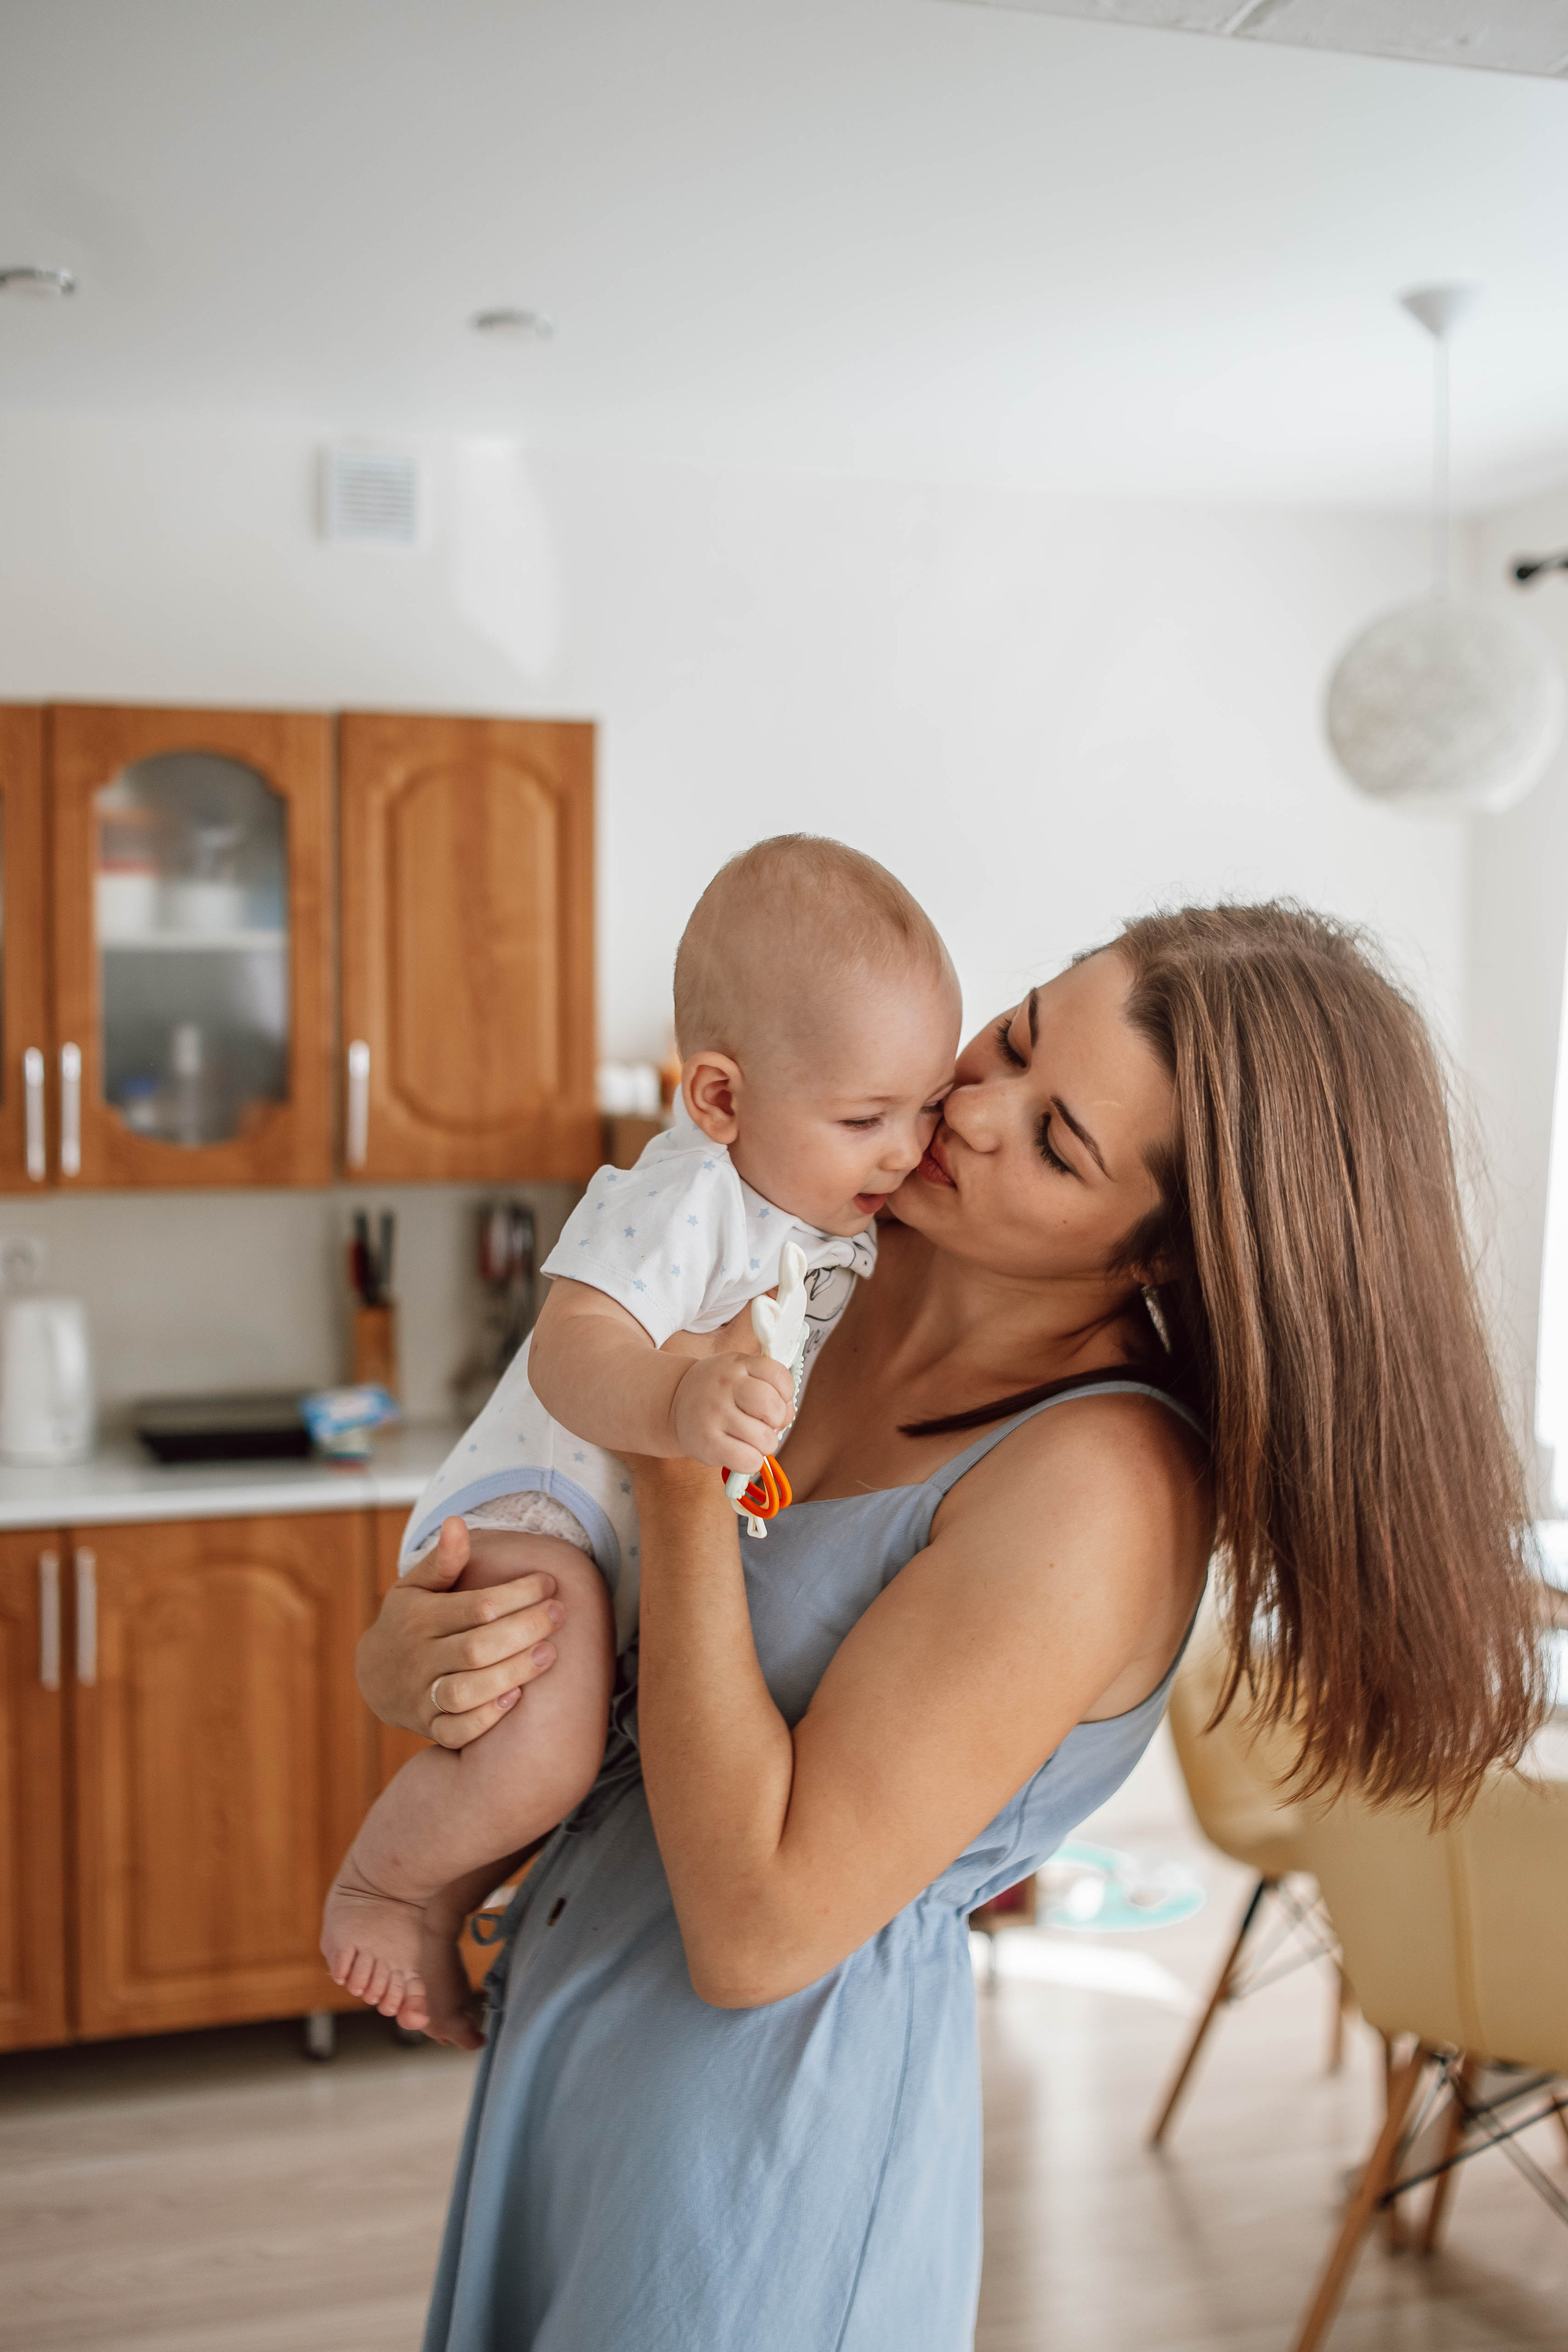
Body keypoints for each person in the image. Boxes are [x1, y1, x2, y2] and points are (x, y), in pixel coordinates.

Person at [357, 902, 1545, 2352]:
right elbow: (570, 1567)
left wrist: (679, 1472)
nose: (968, 1107)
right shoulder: (813, 1262)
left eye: (1056, 1143)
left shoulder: (1094, 1487)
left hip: (746, 2165)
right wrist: (413, 1655)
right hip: (567, 2054)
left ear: (1167, 1255)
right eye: (1016, 1036)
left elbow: (758, 1930)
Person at [321, 837, 961, 2040]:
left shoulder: (837, 1214)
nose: (905, 1148)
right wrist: (677, 1404)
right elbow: (572, 1352)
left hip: (624, 1534)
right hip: (543, 1503)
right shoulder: (690, 1194)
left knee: (555, 1761)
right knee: (547, 1756)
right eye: (868, 1115)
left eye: (926, 1108)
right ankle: (384, 1886)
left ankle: (442, 1908)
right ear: (719, 1098)